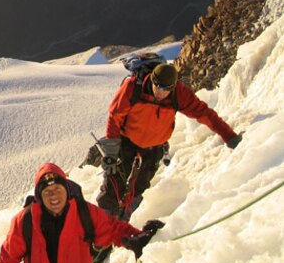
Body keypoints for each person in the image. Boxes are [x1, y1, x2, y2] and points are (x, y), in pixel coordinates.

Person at [0, 163, 162, 263]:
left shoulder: (85, 213)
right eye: (47, 192)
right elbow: (9, 255)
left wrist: (135, 237)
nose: (54, 197)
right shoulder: (26, 220)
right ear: (39, 197)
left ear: (67, 190)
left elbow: (113, 228)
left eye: (58, 189)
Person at [96, 62, 242, 221]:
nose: (160, 93)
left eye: (166, 89)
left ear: (173, 87)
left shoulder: (179, 94)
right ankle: (103, 225)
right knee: (113, 183)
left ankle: (126, 221)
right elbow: (115, 117)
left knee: (140, 186)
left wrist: (229, 136)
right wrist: (111, 152)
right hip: (127, 141)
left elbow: (204, 113)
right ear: (151, 79)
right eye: (157, 86)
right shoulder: (133, 88)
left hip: (154, 146)